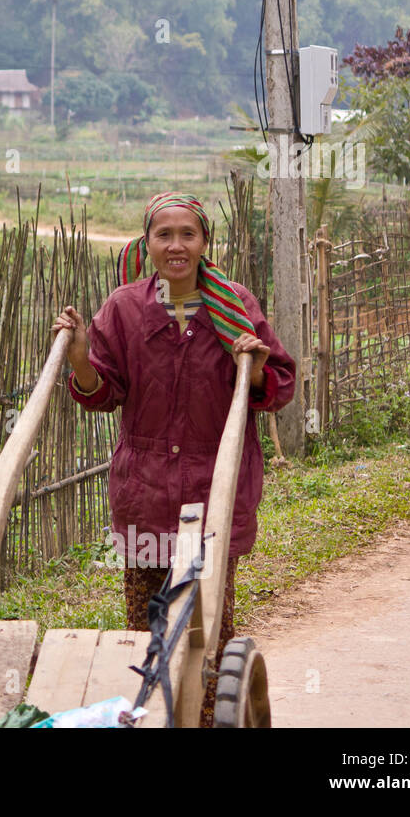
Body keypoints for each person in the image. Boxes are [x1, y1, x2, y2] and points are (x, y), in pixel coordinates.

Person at [51, 191, 295, 726]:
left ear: (205, 242)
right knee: (147, 633)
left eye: (188, 234)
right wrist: (78, 357)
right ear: (148, 243)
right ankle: (150, 719)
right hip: (144, 493)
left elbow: (276, 387)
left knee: (206, 634)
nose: (176, 246)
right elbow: (102, 391)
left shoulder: (236, 306)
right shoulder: (124, 308)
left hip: (214, 489)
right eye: (165, 235)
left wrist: (250, 362)